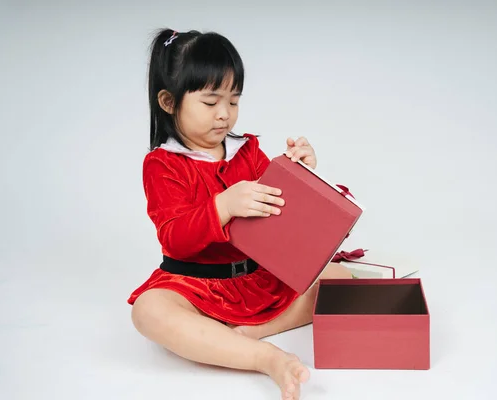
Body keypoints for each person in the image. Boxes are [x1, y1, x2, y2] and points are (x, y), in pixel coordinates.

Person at [127, 28, 353, 400]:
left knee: (341, 276)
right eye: (210, 101)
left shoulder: (246, 151)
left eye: (233, 101)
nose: (224, 115)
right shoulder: (162, 164)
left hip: (256, 278)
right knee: (148, 312)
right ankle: (264, 357)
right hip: (194, 284)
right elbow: (174, 239)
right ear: (169, 102)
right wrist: (223, 207)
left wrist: (304, 174)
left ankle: (249, 331)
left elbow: (282, 215)